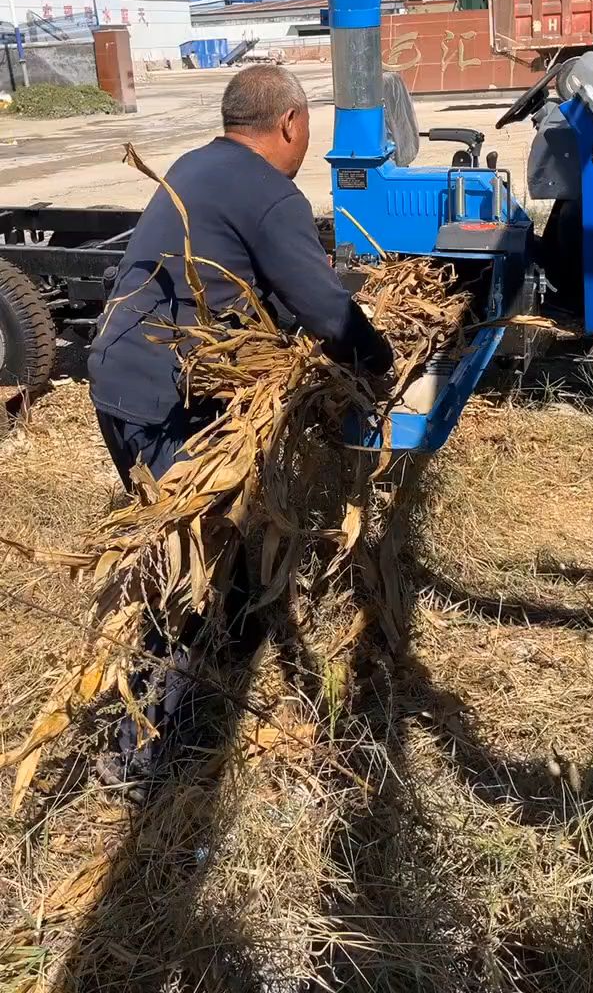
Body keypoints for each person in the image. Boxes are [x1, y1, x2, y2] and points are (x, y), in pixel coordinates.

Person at [89, 64, 392, 796]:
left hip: (115, 372)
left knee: (201, 535)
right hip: (171, 393)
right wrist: (378, 362)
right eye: (308, 128)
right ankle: (142, 757)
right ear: (290, 124)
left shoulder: (196, 166)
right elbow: (325, 311)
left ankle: (233, 636)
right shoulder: (271, 194)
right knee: (186, 569)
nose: (308, 141)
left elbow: (233, 282)